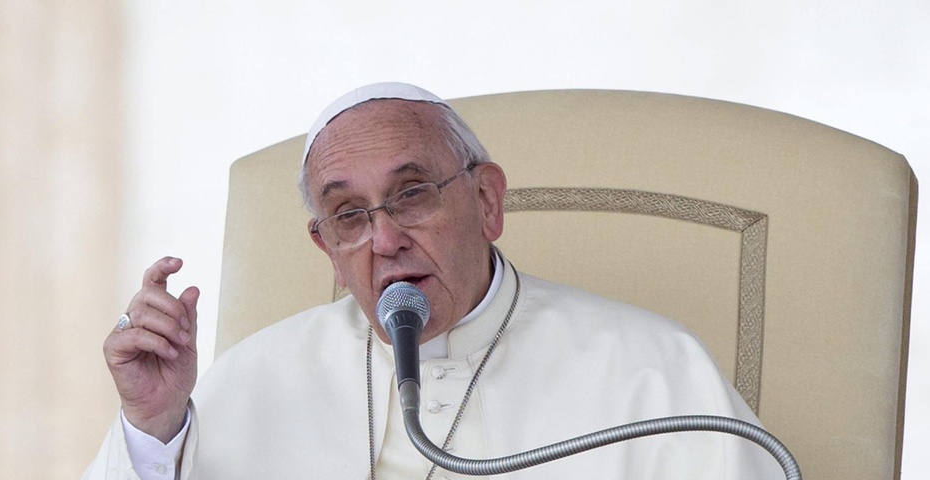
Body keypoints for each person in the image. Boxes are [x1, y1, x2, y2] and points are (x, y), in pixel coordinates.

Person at [83, 83, 785, 479]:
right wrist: (153, 427)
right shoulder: (251, 378)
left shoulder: (649, 372)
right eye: (348, 216)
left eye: (412, 194)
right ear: (325, 246)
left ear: (486, 201)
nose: (384, 240)